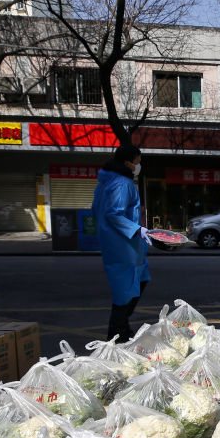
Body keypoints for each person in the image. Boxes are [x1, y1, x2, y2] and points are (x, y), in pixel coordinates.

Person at [91, 144, 151, 342]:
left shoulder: (106, 183)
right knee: (124, 296)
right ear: (127, 162)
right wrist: (137, 230)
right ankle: (116, 339)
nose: (138, 165)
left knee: (138, 282)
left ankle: (123, 333)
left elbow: (98, 211)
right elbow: (113, 214)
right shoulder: (122, 184)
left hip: (119, 245)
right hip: (124, 247)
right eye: (137, 162)